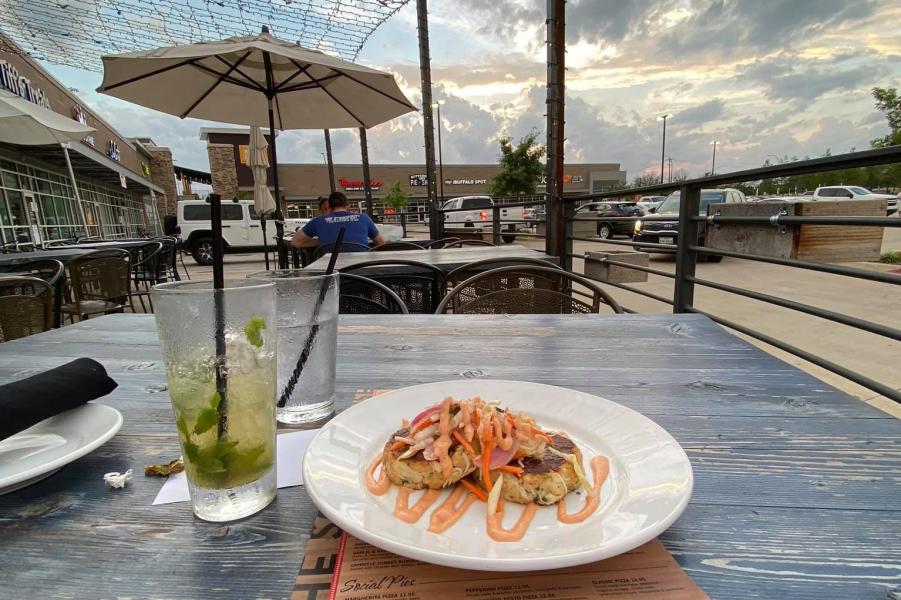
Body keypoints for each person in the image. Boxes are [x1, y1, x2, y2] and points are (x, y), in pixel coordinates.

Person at [291, 191, 384, 252]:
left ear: (330, 208)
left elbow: (295, 242)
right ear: (348, 206)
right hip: (361, 272)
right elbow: (381, 244)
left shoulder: (318, 222)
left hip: (332, 272)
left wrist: (321, 241)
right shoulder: (364, 218)